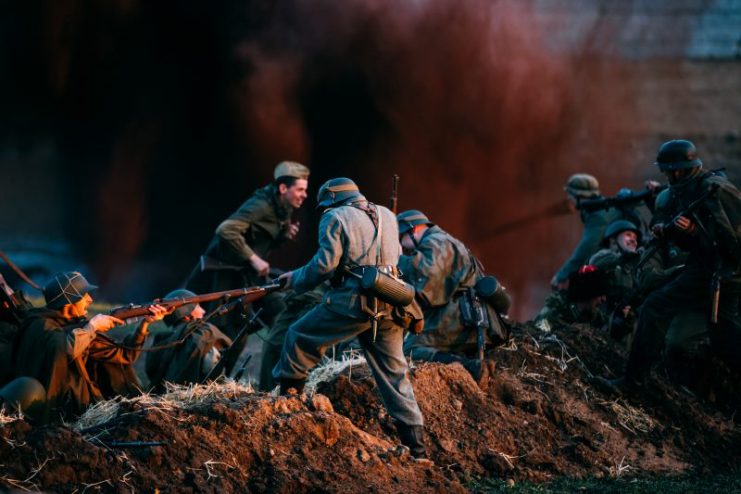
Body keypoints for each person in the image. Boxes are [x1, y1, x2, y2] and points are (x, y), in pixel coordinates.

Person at [273, 178, 428, 459]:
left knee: (298, 337)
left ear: (332, 199)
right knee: (396, 377)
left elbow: (324, 265)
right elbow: (397, 259)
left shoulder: (334, 216)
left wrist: (294, 278)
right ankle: (417, 449)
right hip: (393, 302)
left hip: (352, 303)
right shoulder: (388, 215)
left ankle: (287, 410)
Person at [603, 139, 741, 392]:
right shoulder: (689, 189)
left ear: (679, 169)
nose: (666, 176)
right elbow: (696, 241)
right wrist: (675, 233)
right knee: (724, 341)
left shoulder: (715, 190)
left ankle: (631, 383)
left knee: (656, 308)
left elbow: (730, 243)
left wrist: (694, 232)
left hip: (721, 272)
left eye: (669, 170)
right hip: (708, 268)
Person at [14, 271, 168, 418]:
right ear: (69, 303)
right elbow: (63, 350)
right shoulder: (42, 327)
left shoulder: (73, 327)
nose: (90, 300)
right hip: (59, 411)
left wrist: (144, 324)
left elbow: (124, 356)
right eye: (84, 295)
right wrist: (92, 327)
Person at [190, 161, 310, 338]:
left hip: (251, 278)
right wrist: (254, 258)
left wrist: (284, 234)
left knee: (278, 312)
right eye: (300, 189)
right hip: (231, 279)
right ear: (284, 188)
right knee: (233, 332)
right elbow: (226, 229)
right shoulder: (261, 205)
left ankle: (282, 358)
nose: (304, 195)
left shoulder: (283, 206)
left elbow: (260, 237)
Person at [396, 210, 508, 382]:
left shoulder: (437, 242)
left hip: (465, 320)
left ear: (413, 229)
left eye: (400, 238)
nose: (402, 246)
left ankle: (470, 368)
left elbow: (426, 280)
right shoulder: (441, 241)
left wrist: (396, 258)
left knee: (411, 349)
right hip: (467, 319)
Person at [145, 289, 232, 391]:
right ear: (187, 315)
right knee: (211, 351)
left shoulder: (160, 340)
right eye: (198, 306)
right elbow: (230, 345)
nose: (203, 311)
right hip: (196, 396)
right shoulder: (203, 331)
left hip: (165, 396)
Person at [550, 174, 623, 290]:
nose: (569, 199)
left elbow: (585, 249)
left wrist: (561, 276)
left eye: (571, 195)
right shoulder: (602, 208)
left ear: (580, 196)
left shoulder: (598, 216)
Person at [535, 265, 609, 331]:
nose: (604, 299)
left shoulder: (596, 317)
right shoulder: (555, 309)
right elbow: (536, 332)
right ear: (588, 294)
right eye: (600, 295)